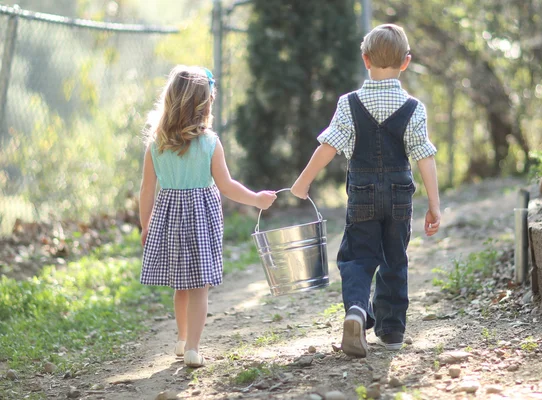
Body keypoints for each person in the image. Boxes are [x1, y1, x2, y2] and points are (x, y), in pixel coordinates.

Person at [291, 24, 441, 358]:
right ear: (406, 62)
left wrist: (303, 182)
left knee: (357, 255)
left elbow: (328, 147)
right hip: (400, 194)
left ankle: (357, 310)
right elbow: (425, 158)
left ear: (365, 59)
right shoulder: (414, 108)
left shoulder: (349, 104)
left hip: (362, 192)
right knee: (394, 258)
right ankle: (391, 331)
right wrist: (435, 205)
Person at [139, 65, 277, 367]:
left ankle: (181, 339)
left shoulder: (156, 145)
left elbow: (147, 190)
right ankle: (193, 348)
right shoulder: (210, 144)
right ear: (205, 105)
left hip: (169, 219)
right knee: (200, 286)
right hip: (201, 220)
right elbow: (227, 186)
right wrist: (256, 199)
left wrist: (145, 224)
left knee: (181, 285)